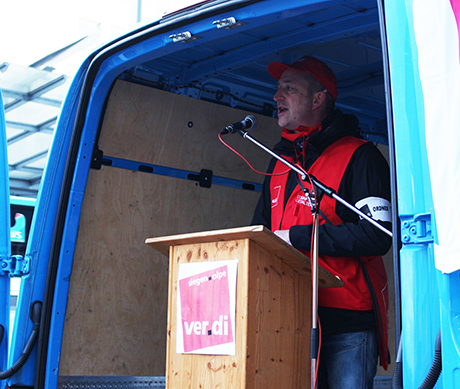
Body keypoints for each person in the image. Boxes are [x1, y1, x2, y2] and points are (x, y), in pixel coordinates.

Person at [251, 55, 392, 389]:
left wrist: (298, 237)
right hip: (289, 320)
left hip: (348, 323)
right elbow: (259, 237)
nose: (276, 96)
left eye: (289, 88)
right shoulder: (278, 162)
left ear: (318, 99)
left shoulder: (361, 156)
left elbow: (377, 235)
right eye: (277, 88)